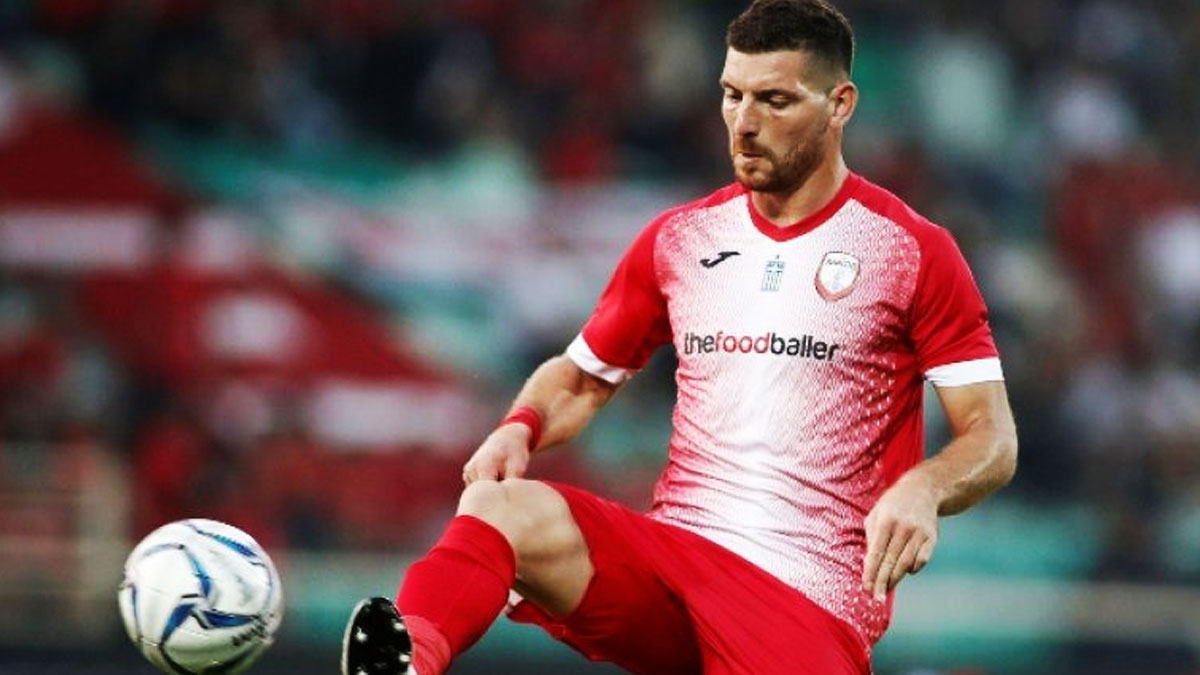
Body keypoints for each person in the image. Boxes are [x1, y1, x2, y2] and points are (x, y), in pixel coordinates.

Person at [341, 0, 1018, 673]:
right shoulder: (682, 239)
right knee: (498, 508)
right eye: (733, 95)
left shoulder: (910, 251)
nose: (745, 123)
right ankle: (411, 660)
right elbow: (581, 378)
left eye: (775, 100)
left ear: (839, 104)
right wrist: (520, 426)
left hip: (802, 600)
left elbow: (992, 437)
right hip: (672, 567)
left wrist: (925, 488)